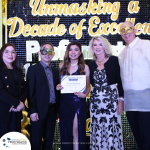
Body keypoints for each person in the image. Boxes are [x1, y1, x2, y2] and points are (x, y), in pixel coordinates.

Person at [118, 21, 150, 150]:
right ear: (121, 34)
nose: (126, 32)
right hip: (130, 103)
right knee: (138, 138)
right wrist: (122, 100)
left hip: (146, 100)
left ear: (135, 30)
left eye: (128, 29)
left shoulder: (146, 45)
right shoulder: (121, 54)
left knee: (148, 137)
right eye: (123, 30)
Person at [88, 36, 124, 150]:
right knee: (97, 128)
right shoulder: (90, 64)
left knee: (113, 128)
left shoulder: (114, 60)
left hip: (112, 100)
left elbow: (120, 81)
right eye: (95, 45)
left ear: (105, 46)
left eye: (100, 44)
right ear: (92, 47)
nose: (97, 47)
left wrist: (121, 100)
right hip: (95, 103)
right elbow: (86, 83)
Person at [56, 41, 90, 150]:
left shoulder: (85, 67)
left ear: (80, 52)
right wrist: (58, 87)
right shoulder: (62, 65)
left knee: (76, 131)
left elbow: (88, 87)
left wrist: (85, 95)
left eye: (76, 49)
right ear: (67, 52)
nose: (73, 52)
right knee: (66, 132)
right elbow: (60, 84)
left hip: (78, 103)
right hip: (64, 103)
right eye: (71, 49)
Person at [27, 42, 59, 150]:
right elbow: (30, 91)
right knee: (36, 140)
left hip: (52, 110)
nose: (47, 54)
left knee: (49, 140)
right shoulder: (33, 69)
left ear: (53, 54)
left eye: (50, 51)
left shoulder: (55, 71)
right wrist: (32, 110)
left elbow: (56, 90)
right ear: (40, 53)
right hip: (38, 111)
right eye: (44, 51)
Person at [0, 43, 26, 138]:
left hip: (16, 111)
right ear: (1, 54)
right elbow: (1, 91)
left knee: (14, 143)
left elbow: (24, 88)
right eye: (6, 52)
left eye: (13, 52)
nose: (10, 54)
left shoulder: (18, 70)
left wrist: (21, 103)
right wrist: (16, 103)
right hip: (4, 112)